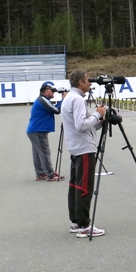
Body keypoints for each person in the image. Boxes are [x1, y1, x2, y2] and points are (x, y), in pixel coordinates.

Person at [61, 70, 107, 238]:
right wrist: (97, 114)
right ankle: (84, 225)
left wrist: (99, 122)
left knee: (75, 186)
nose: (91, 83)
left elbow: (84, 125)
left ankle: (75, 221)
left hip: (75, 146)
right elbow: (81, 125)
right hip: (84, 148)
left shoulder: (69, 98)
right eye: (88, 80)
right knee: (85, 186)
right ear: (80, 82)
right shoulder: (78, 99)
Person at [27, 81, 65, 181]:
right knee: (44, 152)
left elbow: (54, 108)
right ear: (46, 91)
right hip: (39, 129)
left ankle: (41, 173)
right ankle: (50, 175)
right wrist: (63, 100)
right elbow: (56, 110)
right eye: (52, 91)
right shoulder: (43, 100)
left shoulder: (42, 99)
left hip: (35, 129)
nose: (53, 93)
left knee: (37, 153)